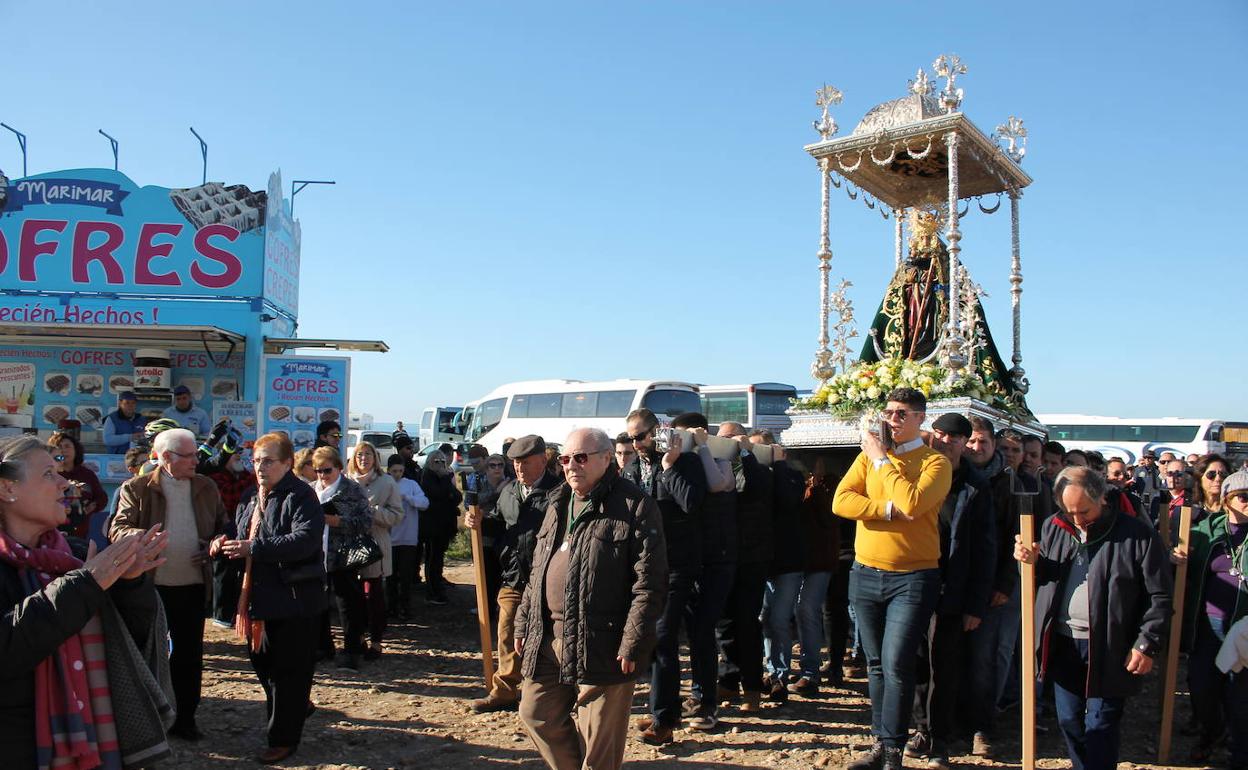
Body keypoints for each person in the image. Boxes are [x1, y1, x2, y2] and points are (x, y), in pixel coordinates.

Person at [0, 435, 172, 769]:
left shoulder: (76, 554)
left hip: (97, 742)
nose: (65, 483)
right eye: (49, 474)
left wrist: (129, 583)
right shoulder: (82, 570)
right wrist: (87, 584)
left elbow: (132, 643)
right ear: (8, 489)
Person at [515, 428, 667, 770]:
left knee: (599, 746)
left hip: (602, 640)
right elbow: (538, 569)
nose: (572, 466)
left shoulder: (635, 506)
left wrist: (633, 641)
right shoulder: (558, 502)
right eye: (566, 459)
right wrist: (524, 621)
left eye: (580, 458)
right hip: (548, 636)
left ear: (606, 458)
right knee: (536, 713)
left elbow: (649, 584)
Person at [1014, 466, 1172, 770]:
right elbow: (1046, 577)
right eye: (1068, 510)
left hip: (1112, 646)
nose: (1076, 518)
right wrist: (1030, 563)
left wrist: (1146, 643)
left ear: (1101, 498)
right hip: (1063, 643)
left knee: (1101, 724)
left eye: (1083, 510)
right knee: (1070, 720)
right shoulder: (1053, 527)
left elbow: (1160, 595)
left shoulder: (1136, 535)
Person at [833, 387, 952, 770]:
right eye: (888, 412)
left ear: (921, 418)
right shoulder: (866, 460)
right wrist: (884, 510)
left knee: (897, 661)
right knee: (875, 664)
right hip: (866, 572)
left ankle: (894, 751)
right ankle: (881, 744)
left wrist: (883, 461)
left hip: (913, 577)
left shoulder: (935, 462)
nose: (892, 420)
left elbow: (914, 503)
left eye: (901, 413)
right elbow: (841, 501)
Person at [212, 432, 327, 765]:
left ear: (288, 463)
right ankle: (295, 707)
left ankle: (282, 738)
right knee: (264, 666)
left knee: (288, 672)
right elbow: (242, 532)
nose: (259, 467)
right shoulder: (251, 495)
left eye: (267, 461)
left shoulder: (301, 495)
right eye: (256, 460)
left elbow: (305, 540)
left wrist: (255, 549)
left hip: (294, 599)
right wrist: (224, 544)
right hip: (258, 599)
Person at [110, 427, 227, 741]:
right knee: (151, 654)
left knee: (189, 655)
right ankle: (149, 719)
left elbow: (222, 526)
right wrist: (142, 537)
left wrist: (216, 542)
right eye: (188, 456)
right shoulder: (136, 488)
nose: (195, 461)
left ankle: (186, 718)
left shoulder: (206, 487)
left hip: (191, 586)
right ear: (164, 458)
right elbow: (117, 528)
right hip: (151, 586)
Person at [906, 413, 995, 770]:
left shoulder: (976, 486)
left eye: (953, 438)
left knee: (945, 665)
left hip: (954, 588)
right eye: (939, 435)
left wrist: (977, 603)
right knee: (914, 662)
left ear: (964, 443)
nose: (944, 442)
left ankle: (940, 737)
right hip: (914, 582)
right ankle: (921, 729)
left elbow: (986, 548)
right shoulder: (917, 472)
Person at [622, 407, 708, 745]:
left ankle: (665, 718)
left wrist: (670, 467)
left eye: (641, 436)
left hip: (678, 563)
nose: (637, 443)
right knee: (652, 639)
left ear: (656, 432)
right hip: (644, 565)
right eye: (631, 438)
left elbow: (691, 503)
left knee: (662, 636)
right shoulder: (630, 468)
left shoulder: (683, 461)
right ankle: (664, 706)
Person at [466, 435, 561, 712]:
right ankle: (505, 690)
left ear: (542, 461)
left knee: (549, 636)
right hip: (514, 575)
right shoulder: (509, 491)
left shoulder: (560, 493)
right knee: (507, 630)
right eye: (516, 463)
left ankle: (556, 693)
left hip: (547, 579)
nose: (519, 469)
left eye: (526, 463)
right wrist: (480, 521)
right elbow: (499, 523)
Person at [1174, 468, 1248, 766]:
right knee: (1203, 689)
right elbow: (1183, 572)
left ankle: (1240, 755)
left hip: (1244, 629)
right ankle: (1213, 733)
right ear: (1228, 499)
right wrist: (1174, 558)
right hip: (1207, 625)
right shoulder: (1205, 532)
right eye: (1243, 497)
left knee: (1240, 697)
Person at [675, 414, 738, 728]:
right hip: (690, 559)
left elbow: (716, 484)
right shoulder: (676, 463)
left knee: (703, 631)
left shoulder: (718, 457)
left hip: (716, 559)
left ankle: (705, 702)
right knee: (691, 632)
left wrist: (700, 447)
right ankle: (696, 696)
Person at [715, 419, 775, 715]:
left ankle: (752, 687)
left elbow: (757, 487)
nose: (726, 444)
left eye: (730, 439)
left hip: (752, 555)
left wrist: (746, 451)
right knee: (724, 622)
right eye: (721, 439)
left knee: (747, 622)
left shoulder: (757, 465)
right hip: (723, 554)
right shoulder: (714, 463)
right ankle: (727, 679)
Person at [312, 446, 373, 671]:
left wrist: (337, 521)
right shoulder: (311, 490)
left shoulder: (352, 490)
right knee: (317, 602)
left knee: (347, 603)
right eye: (318, 471)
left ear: (338, 468)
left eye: (327, 470)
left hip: (344, 555)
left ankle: (351, 649)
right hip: (316, 555)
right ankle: (322, 646)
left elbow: (366, 522)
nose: (322, 476)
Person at [347, 441, 404, 659]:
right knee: (353, 596)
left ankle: (377, 640)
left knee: (373, 595)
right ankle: (357, 637)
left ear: (375, 458)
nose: (364, 458)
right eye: (360, 454)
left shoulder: (386, 482)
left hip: (375, 545)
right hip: (349, 546)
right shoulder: (346, 482)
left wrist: (373, 512)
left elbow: (397, 515)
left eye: (368, 454)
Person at [207, 448, 257, 628]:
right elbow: (228, 496)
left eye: (240, 453)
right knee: (223, 569)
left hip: (246, 528)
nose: (238, 456)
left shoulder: (248, 477)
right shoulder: (216, 478)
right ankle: (222, 614)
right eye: (233, 453)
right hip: (221, 528)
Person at [386, 455, 428, 621]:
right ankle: (391, 607)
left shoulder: (411, 484)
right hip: (390, 538)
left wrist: (409, 498)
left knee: (405, 576)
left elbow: (425, 503)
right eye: (394, 471)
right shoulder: (385, 484)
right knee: (390, 576)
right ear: (388, 470)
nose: (397, 474)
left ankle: (405, 607)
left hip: (408, 538)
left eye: (400, 471)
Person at [420, 450, 463, 605]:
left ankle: (437, 587)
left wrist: (448, 494)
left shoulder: (445, 476)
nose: (439, 465)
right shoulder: (428, 476)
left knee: (439, 558)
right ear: (430, 462)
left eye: (442, 462)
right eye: (436, 461)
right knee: (432, 559)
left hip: (444, 525)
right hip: (432, 526)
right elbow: (436, 494)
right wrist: (446, 481)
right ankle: (432, 591)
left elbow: (457, 497)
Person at [49, 430, 108, 540]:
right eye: (59, 447)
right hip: (53, 532)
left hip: (81, 532)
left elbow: (102, 497)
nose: (63, 450)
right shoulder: (50, 475)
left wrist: (92, 506)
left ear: (76, 450)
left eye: (67, 446)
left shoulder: (87, 474)